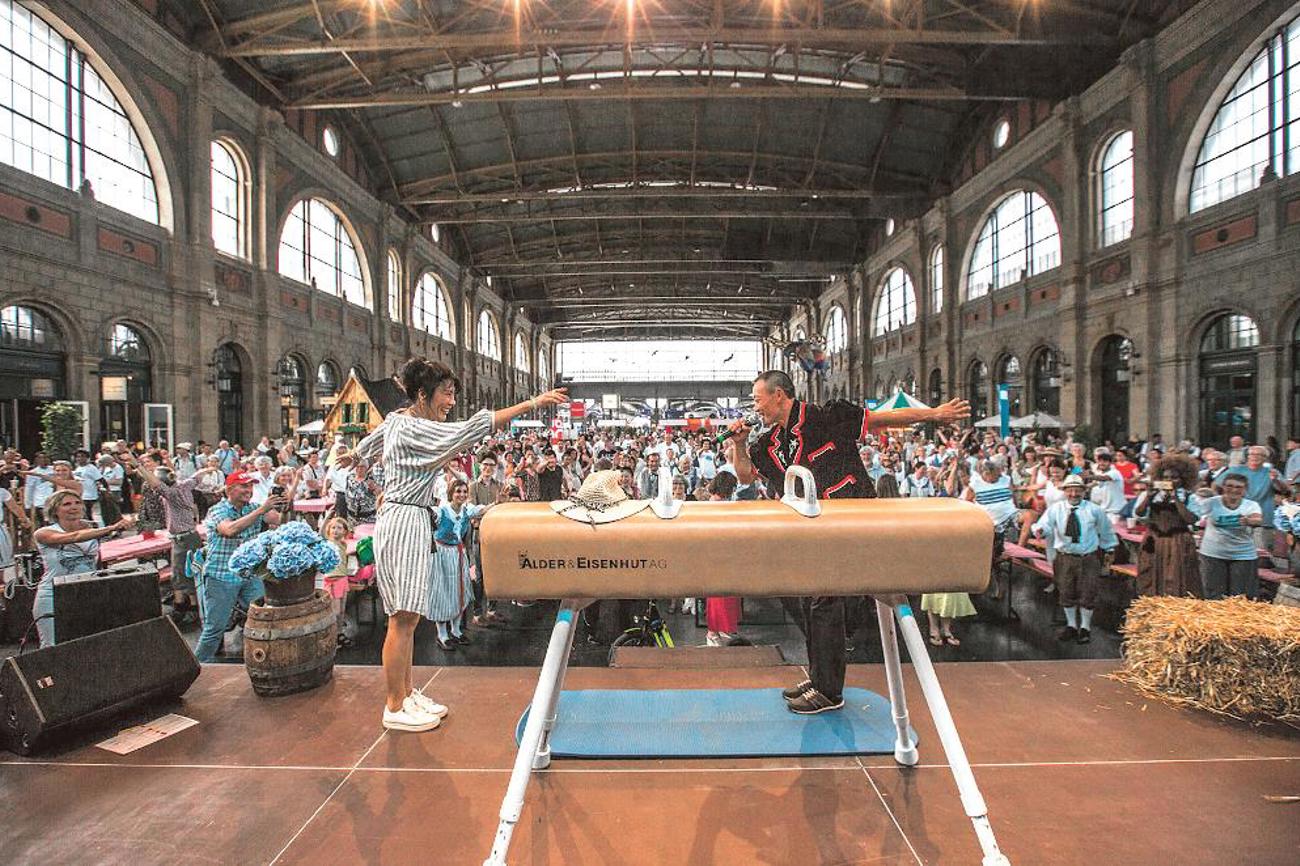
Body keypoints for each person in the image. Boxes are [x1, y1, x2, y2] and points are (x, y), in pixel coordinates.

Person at [726, 370, 970, 714]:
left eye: (757, 398)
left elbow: (882, 420)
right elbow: (744, 475)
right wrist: (738, 445)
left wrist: (934, 414)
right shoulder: (767, 445)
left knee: (825, 601)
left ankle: (828, 691)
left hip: (850, 528)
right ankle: (820, 676)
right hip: (810, 534)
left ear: (778, 394)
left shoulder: (827, 417)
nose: (755, 406)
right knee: (805, 599)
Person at [352, 357, 566, 732]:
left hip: (414, 517)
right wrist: (532, 404)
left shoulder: (403, 421)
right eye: (446, 394)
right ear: (423, 394)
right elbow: (472, 429)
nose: (451, 402)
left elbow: (379, 435)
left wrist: (357, 455)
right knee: (401, 618)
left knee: (410, 615)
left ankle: (406, 692)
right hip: (403, 520)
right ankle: (394, 706)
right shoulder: (415, 430)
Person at [195, 471, 287, 662]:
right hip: (221, 576)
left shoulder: (253, 507)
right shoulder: (217, 510)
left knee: (265, 618)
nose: (249, 490)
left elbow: (280, 521)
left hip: (249, 576)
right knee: (215, 628)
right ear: (229, 490)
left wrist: (284, 505)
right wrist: (261, 511)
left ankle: (267, 660)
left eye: (250, 486)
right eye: (243, 486)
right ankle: (199, 665)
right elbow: (229, 530)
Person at [32, 490, 135, 646]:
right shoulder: (43, 532)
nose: (73, 507)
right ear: (55, 511)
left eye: (77, 502)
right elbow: (74, 537)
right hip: (53, 594)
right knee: (51, 646)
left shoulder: (92, 527)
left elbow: (97, 561)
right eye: (66, 504)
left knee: (87, 644)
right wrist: (111, 527)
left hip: (86, 591)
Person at [1031, 475, 1118, 644]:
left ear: (1084, 492)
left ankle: (1085, 628)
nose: (1073, 494)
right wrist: (1041, 530)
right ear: (1064, 492)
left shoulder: (1094, 510)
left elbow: (1106, 530)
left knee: (1088, 592)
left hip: (1088, 558)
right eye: (1070, 490)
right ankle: (1071, 626)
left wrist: (1109, 549)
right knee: (1065, 591)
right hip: (1065, 557)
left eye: (1077, 490)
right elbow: (1046, 525)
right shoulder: (1056, 509)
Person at [137, 459, 224, 623]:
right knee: (185, 572)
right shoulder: (184, 485)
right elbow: (197, 476)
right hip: (188, 536)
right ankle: (187, 606)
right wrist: (209, 468)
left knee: (183, 573)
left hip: (183, 538)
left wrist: (138, 466)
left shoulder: (172, 494)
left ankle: (188, 609)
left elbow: (155, 484)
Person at [1132, 453, 1201, 598]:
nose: (1169, 481)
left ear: (1183, 479)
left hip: (1178, 540)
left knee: (1176, 575)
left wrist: (1175, 498)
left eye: (1174, 477)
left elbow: (1191, 519)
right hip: (1154, 539)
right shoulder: (1152, 494)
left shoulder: (1189, 496)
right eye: (1166, 477)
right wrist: (1149, 497)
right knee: (1149, 573)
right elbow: (1139, 513)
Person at [431, 479, 488, 651]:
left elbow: (484, 509)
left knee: (460, 592)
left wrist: (499, 501)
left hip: (458, 553)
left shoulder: (467, 510)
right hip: (442, 554)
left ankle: (455, 631)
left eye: (464, 491)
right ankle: (442, 634)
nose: (461, 494)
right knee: (443, 593)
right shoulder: (441, 511)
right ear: (451, 493)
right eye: (458, 491)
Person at [1190, 473, 1261, 599]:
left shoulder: (1251, 505)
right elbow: (1193, 516)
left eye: (1239, 487)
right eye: (1229, 486)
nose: (1234, 490)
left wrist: (1248, 521)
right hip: (1212, 554)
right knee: (1213, 595)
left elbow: (1258, 519)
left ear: (1245, 490)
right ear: (1223, 487)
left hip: (1243, 555)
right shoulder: (1211, 503)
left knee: (1240, 597)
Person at [320, 516, 354, 648]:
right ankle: (332, 636)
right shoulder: (328, 543)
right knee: (335, 611)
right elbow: (321, 533)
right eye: (333, 528)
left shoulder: (343, 544)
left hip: (342, 579)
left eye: (339, 528)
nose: (335, 530)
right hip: (332, 580)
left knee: (342, 610)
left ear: (345, 531)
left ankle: (339, 633)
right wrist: (328, 518)